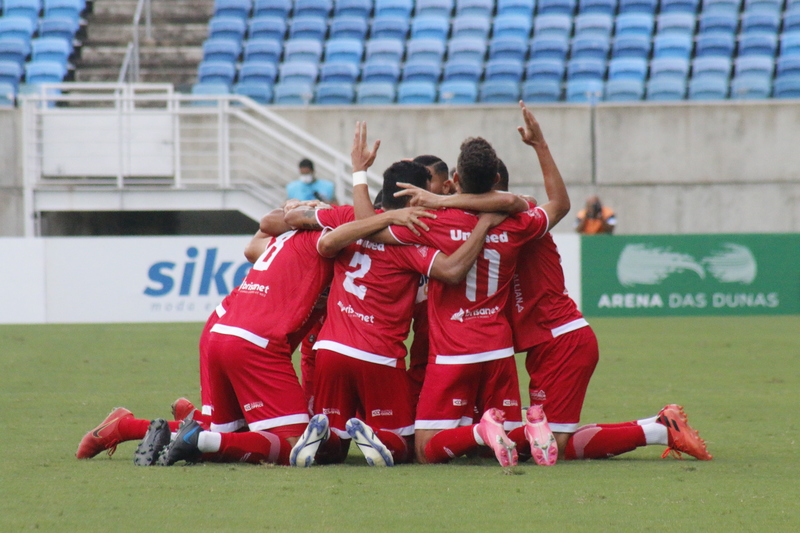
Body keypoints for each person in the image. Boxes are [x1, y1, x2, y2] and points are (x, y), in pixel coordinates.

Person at [288, 125, 505, 468]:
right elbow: (450, 271)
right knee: (404, 447)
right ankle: (375, 436)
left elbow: (292, 219)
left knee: (333, 453)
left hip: (330, 349)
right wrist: (483, 227)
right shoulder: (411, 237)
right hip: (378, 355)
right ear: (412, 196)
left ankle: (324, 436)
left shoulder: (348, 219)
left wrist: (358, 171)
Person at [371, 102, 571, 467]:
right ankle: (530, 428)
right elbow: (558, 204)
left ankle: (481, 431)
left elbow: (376, 232)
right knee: (506, 440)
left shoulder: (434, 220)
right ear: (496, 179)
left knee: (425, 449)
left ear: (456, 181)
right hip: (497, 347)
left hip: (453, 349)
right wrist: (540, 144)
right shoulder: (516, 223)